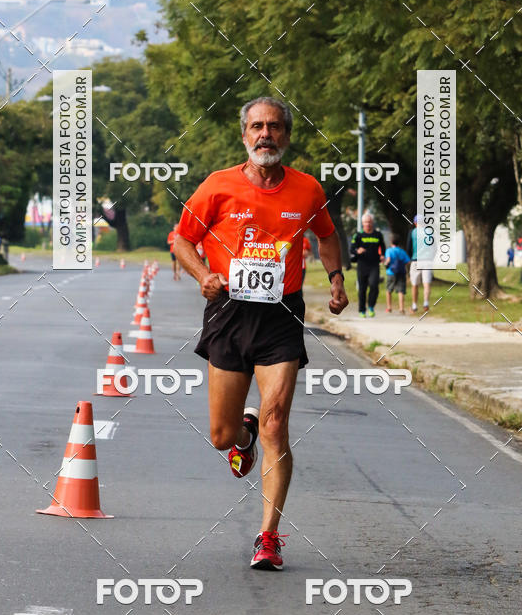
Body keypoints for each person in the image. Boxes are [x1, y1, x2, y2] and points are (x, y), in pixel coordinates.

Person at [174, 96, 348, 571]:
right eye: (256, 127)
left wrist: (336, 280)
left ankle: (268, 536)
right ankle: (242, 439)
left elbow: (327, 234)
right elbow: (182, 238)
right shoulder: (218, 186)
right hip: (229, 313)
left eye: (273, 126)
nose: (265, 134)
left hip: (280, 316)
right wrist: (201, 276)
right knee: (220, 435)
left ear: (286, 136)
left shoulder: (307, 190)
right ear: (244, 135)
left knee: (277, 424)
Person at [350, 212, 385, 319]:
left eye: (369, 222)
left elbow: (383, 247)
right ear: (362, 223)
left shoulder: (378, 235)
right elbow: (352, 249)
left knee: (374, 285)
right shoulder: (358, 235)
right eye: (365, 222)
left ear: (372, 223)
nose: (368, 224)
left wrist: (383, 255)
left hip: (374, 265)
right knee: (362, 289)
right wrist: (358, 251)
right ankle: (361, 310)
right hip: (362, 265)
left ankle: (370, 306)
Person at [406, 215, 432, 313]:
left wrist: (410, 257)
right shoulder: (430, 232)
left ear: (415, 222)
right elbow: (434, 247)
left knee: (415, 284)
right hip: (427, 260)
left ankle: (414, 305)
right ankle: (426, 303)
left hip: (416, 260)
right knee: (426, 283)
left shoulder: (412, 232)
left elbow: (408, 247)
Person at [384, 234, 410, 314]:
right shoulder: (402, 251)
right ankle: (401, 308)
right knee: (401, 291)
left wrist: (385, 264)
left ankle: (389, 307)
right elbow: (408, 261)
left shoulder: (389, 250)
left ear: (391, 242)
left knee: (389, 290)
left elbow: (388, 260)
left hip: (391, 272)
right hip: (401, 272)